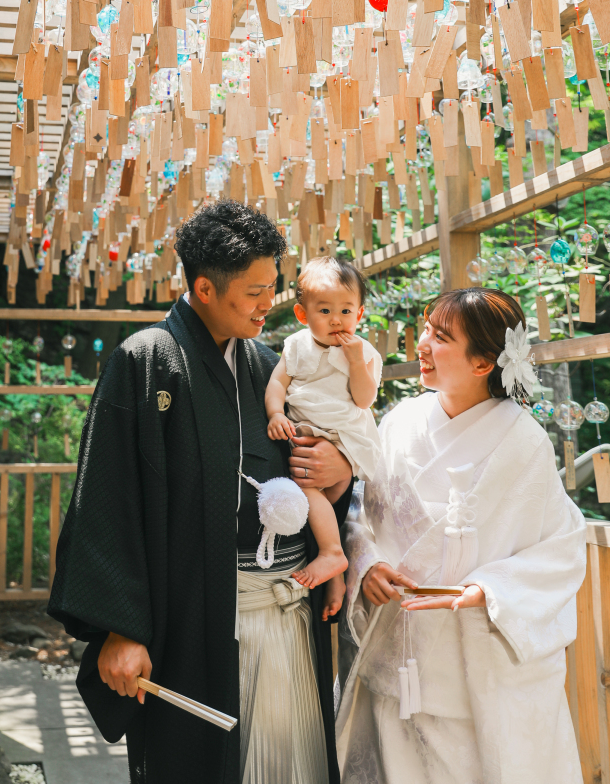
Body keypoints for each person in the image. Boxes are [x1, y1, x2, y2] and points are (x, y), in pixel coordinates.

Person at [48, 200, 355, 784]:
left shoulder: (272, 364)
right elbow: (108, 501)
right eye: (255, 291)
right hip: (193, 615)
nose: (270, 303)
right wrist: (122, 628)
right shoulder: (146, 361)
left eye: (273, 286)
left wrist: (338, 466)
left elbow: (329, 463)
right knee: (196, 764)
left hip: (288, 607)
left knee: (293, 763)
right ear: (205, 288)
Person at [336, 287, 586, 784]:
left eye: (441, 336)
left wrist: (491, 590)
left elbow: (561, 546)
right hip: (397, 647)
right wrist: (366, 563)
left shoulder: (523, 441)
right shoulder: (401, 421)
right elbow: (360, 509)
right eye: (427, 328)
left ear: (483, 363)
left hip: (474, 663)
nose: (422, 343)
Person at [265, 258, 382, 617]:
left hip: (343, 434)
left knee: (314, 494)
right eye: (325, 310)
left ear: (359, 313)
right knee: (317, 502)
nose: (336, 319)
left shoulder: (362, 352)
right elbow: (277, 384)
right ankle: (335, 566)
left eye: (345, 310)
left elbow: (364, 399)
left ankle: (333, 554)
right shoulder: (297, 346)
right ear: (302, 315)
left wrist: (356, 359)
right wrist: (276, 413)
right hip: (306, 430)